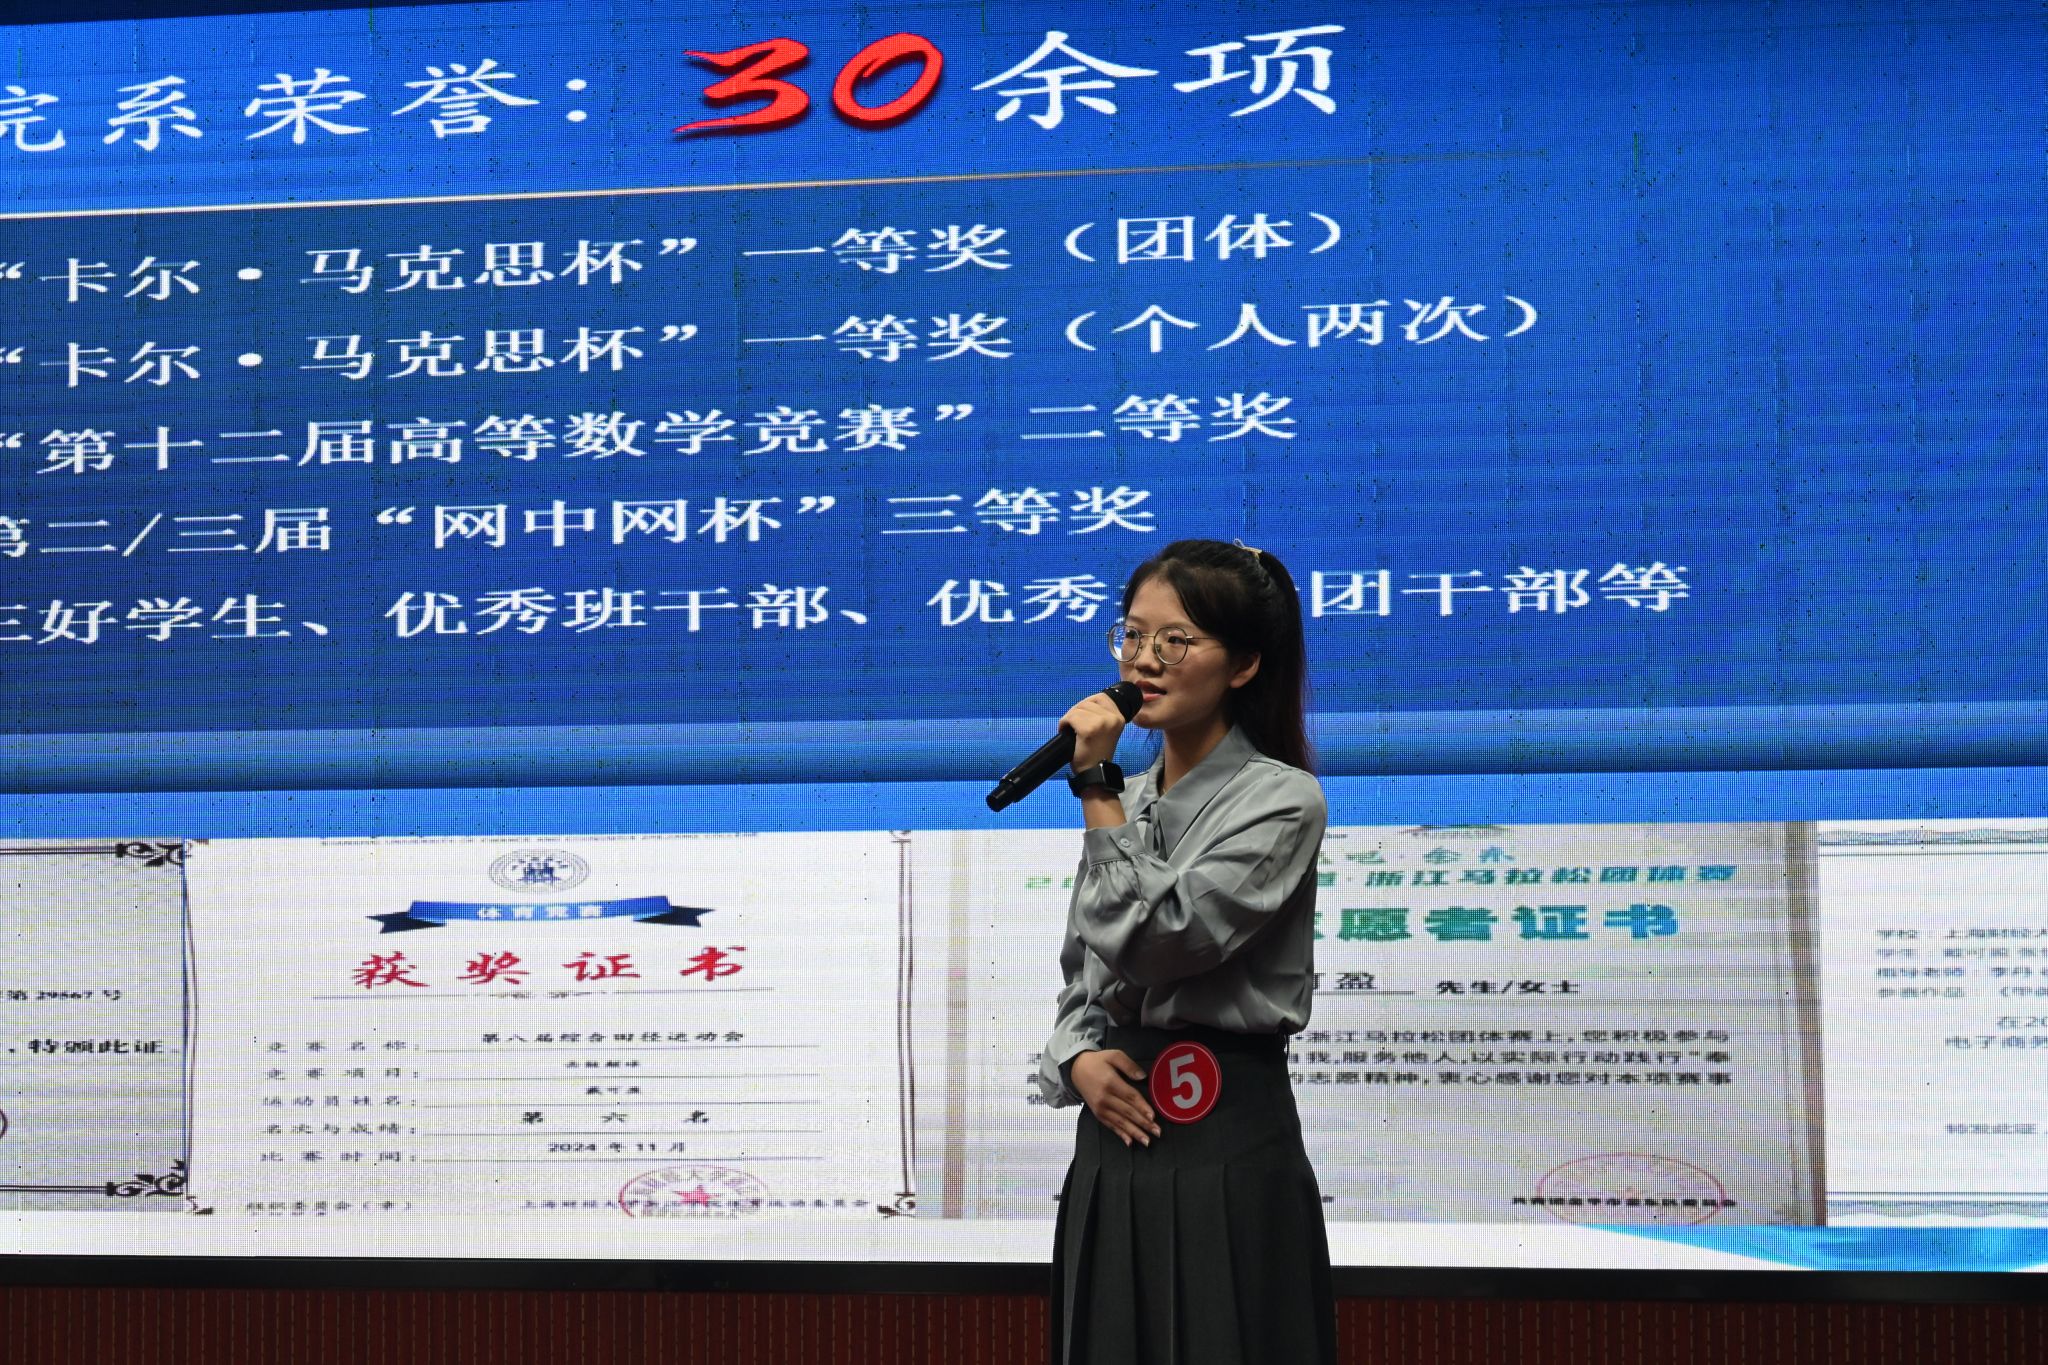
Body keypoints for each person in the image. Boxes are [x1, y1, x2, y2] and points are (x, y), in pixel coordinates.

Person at [1040, 537, 1336, 1365]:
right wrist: (1075, 1057)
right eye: (1133, 635)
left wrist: (1094, 787)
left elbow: (1163, 941)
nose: (1145, 660)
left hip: (1228, 1136)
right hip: (1114, 1133)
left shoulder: (1283, 798)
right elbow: (1086, 971)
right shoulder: (1127, 798)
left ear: (1243, 663)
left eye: (1176, 640)